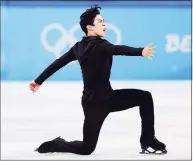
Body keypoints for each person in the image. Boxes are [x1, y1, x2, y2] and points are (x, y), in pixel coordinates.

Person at [29, 5, 167, 155]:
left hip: (109, 97)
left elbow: (58, 63)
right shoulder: (98, 46)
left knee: (144, 97)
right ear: (90, 27)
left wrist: (38, 81)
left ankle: (148, 139)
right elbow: (118, 49)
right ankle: (58, 144)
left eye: (103, 21)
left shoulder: (80, 47)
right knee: (86, 148)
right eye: (100, 21)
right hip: (94, 104)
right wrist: (140, 51)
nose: (104, 24)